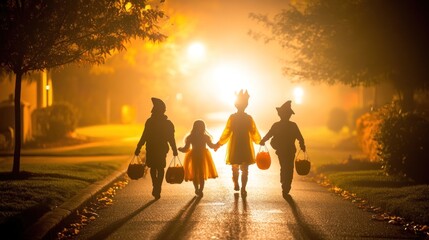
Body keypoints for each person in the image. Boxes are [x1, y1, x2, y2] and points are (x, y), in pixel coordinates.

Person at [216, 90, 261, 196]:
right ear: (246, 105)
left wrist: (219, 143)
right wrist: (259, 141)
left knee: (235, 166)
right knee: (245, 169)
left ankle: (236, 183)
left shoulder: (233, 118)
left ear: (236, 105)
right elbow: (254, 132)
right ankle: (243, 188)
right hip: (245, 145)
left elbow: (227, 132)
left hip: (235, 145)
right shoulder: (248, 118)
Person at [259, 100, 306, 198]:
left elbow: (269, 134)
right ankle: (286, 184)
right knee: (288, 167)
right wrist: (302, 145)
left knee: (284, 166)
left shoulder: (278, 125)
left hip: (282, 150)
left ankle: (285, 182)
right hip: (288, 150)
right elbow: (299, 137)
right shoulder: (292, 125)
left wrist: (263, 140)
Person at [135, 97, 178, 199]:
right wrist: (174, 149)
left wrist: (138, 147)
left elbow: (144, 136)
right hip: (162, 149)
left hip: (151, 148)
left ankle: (155, 185)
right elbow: (171, 139)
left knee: (153, 168)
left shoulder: (150, 122)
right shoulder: (167, 123)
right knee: (160, 167)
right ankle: (158, 186)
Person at [178, 120, 218, 197]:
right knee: (200, 173)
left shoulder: (191, 137)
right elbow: (211, 146)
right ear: (203, 127)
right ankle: (199, 189)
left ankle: (197, 189)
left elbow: (186, 148)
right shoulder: (205, 137)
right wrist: (218, 145)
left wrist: (180, 149)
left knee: (196, 173)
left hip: (194, 155)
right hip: (202, 155)